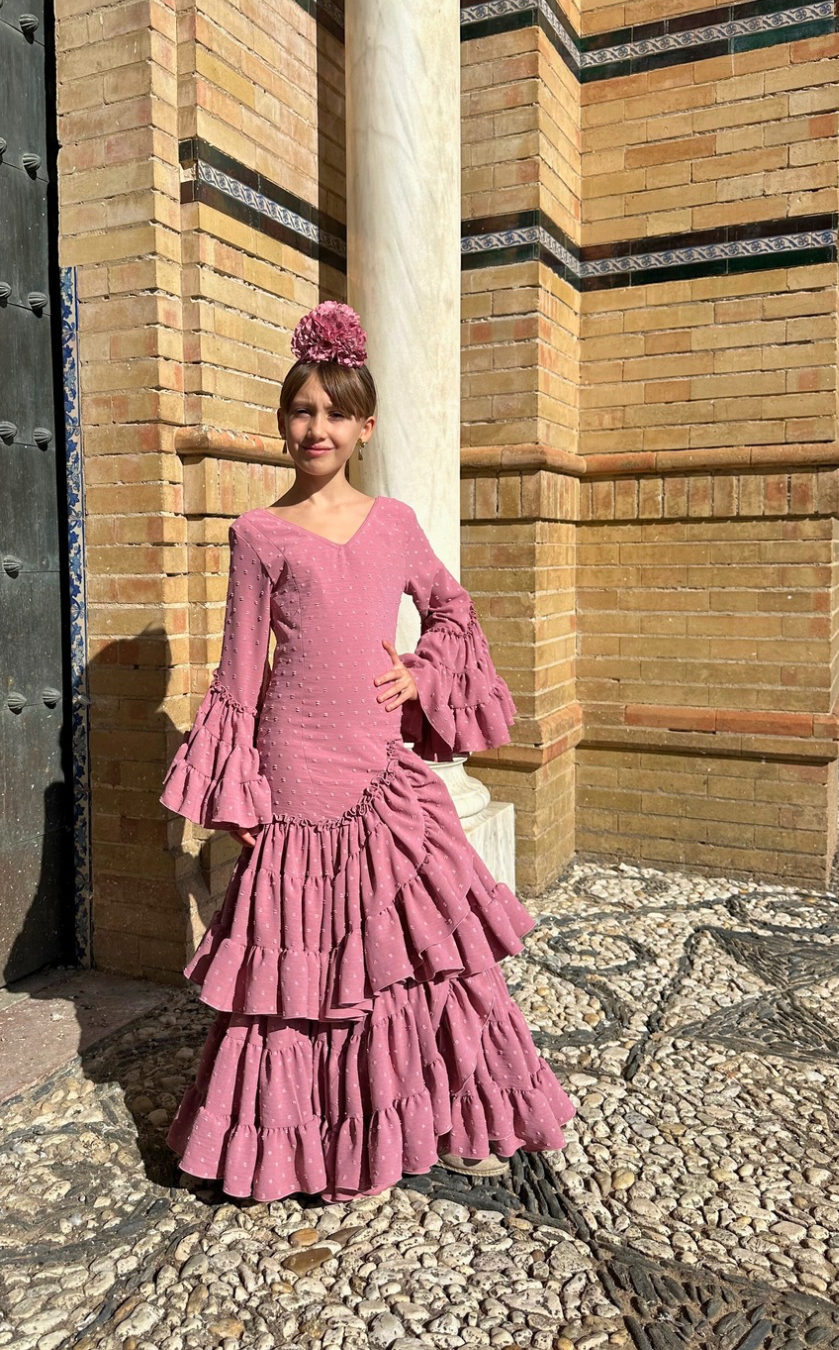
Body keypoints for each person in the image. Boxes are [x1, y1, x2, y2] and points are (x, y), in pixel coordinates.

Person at [159, 301, 577, 1203]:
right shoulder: (258, 534)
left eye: (335, 412)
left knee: (425, 952)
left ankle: (453, 1118)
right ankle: (304, 1147)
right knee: (302, 974)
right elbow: (237, 677)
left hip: (380, 771)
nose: (317, 428)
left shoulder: (394, 523)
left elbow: (455, 610)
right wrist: (235, 802)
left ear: (364, 427)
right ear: (283, 421)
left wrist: (425, 676)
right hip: (296, 771)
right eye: (303, 410)